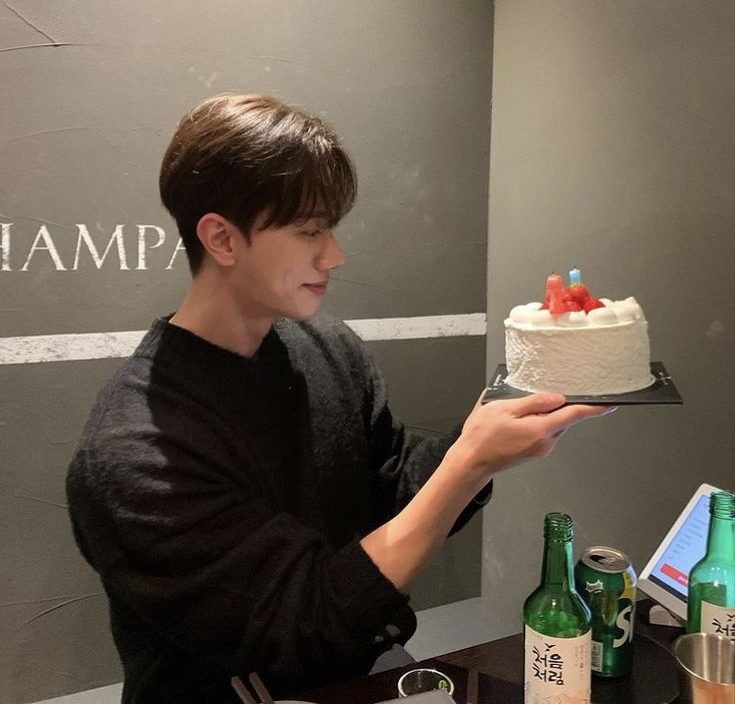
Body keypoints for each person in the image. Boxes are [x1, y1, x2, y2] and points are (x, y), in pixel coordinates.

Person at [66, 93, 613, 703]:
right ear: (222, 238)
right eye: (309, 231)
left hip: (363, 671)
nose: (334, 255)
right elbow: (307, 626)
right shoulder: (136, 452)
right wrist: (471, 461)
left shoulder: (326, 346)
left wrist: (484, 431)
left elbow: (393, 489)